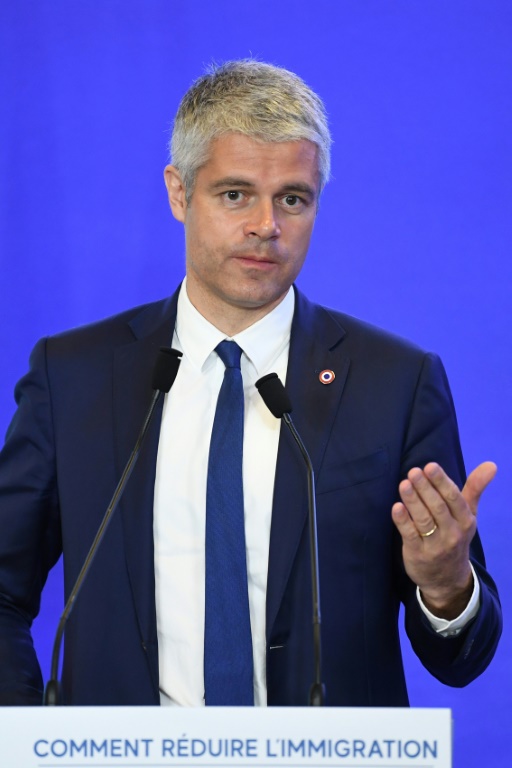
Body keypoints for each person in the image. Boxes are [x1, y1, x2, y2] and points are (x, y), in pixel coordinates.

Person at [0, 60, 501, 706]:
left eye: (293, 198)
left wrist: (447, 586)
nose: (267, 225)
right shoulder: (73, 377)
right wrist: (26, 734)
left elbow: (462, 657)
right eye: (236, 194)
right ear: (179, 193)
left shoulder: (396, 383)